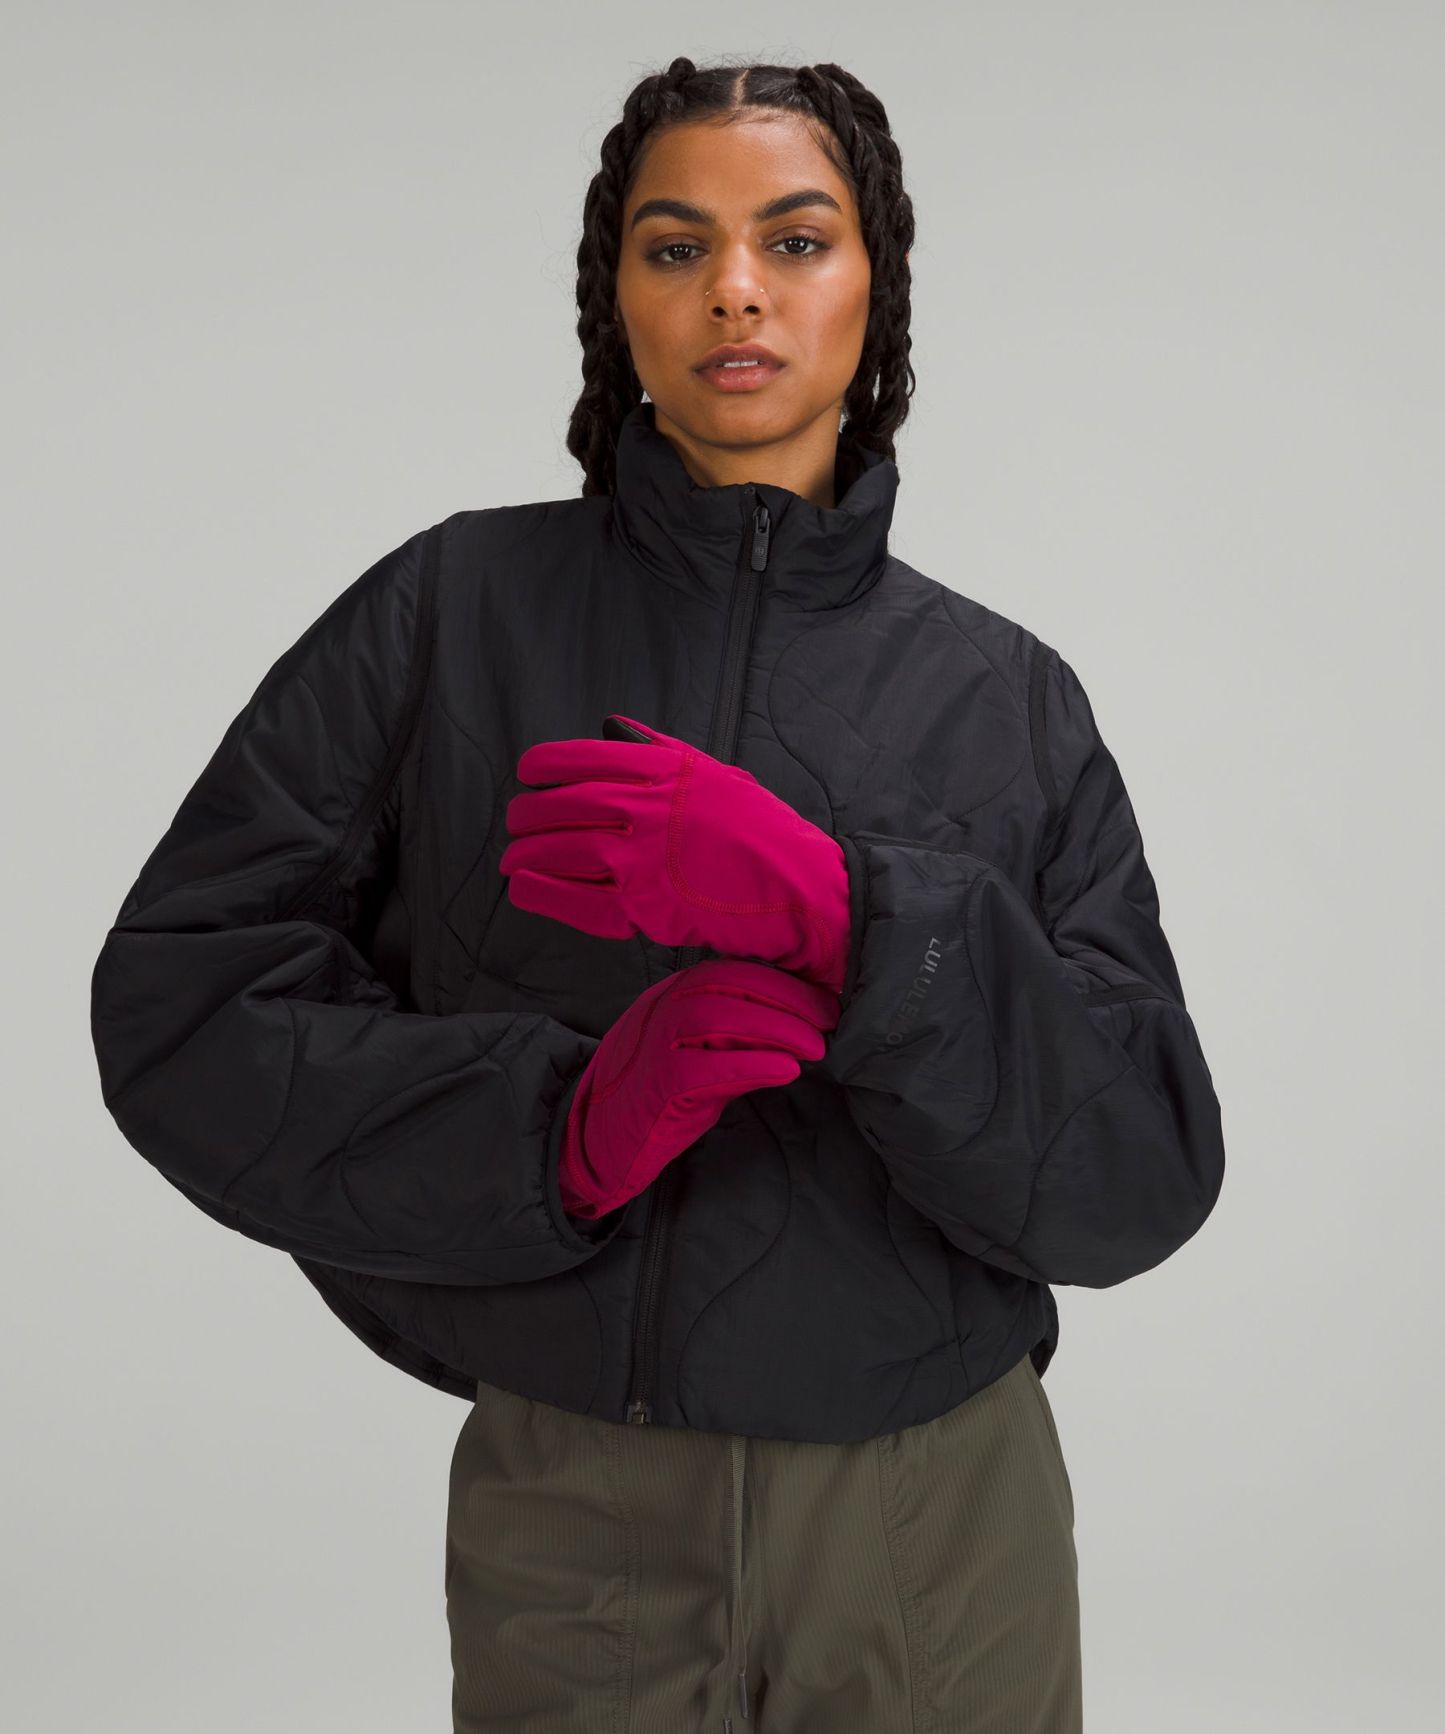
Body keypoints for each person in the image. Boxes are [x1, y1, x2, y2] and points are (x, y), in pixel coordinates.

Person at [89, 54, 1226, 1734]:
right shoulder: (450, 609)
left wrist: (857, 924)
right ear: (612, 295)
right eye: (675, 246)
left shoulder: (1008, 698)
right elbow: (182, 1004)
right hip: (579, 1511)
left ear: (876, 287)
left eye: (796, 239)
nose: (735, 290)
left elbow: (1134, 1179)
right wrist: (555, 1127)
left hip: (935, 1516)